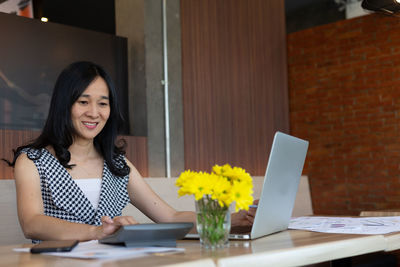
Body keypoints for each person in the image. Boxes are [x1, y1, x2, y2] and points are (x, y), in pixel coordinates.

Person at [6, 61, 256, 242]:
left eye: (103, 104)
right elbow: (32, 223)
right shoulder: (33, 160)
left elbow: (170, 216)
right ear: (64, 105)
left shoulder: (117, 164)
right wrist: (96, 232)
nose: (94, 112)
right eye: (83, 102)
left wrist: (234, 219)